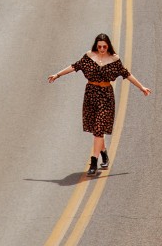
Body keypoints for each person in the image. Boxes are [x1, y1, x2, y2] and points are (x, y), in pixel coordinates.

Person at [48, 32, 151, 176]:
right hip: (91, 94)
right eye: (99, 46)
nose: (102, 49)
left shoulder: (114, 59)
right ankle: (104, 154)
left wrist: (141, 87)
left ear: (108, 46)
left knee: (98, 128)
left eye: (104, 46)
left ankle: (94, 162)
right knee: (96, 130)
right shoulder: (89, 56)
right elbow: (75, 66)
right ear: (96, 46)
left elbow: (127, 74)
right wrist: (57, 75)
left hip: (106, 96)